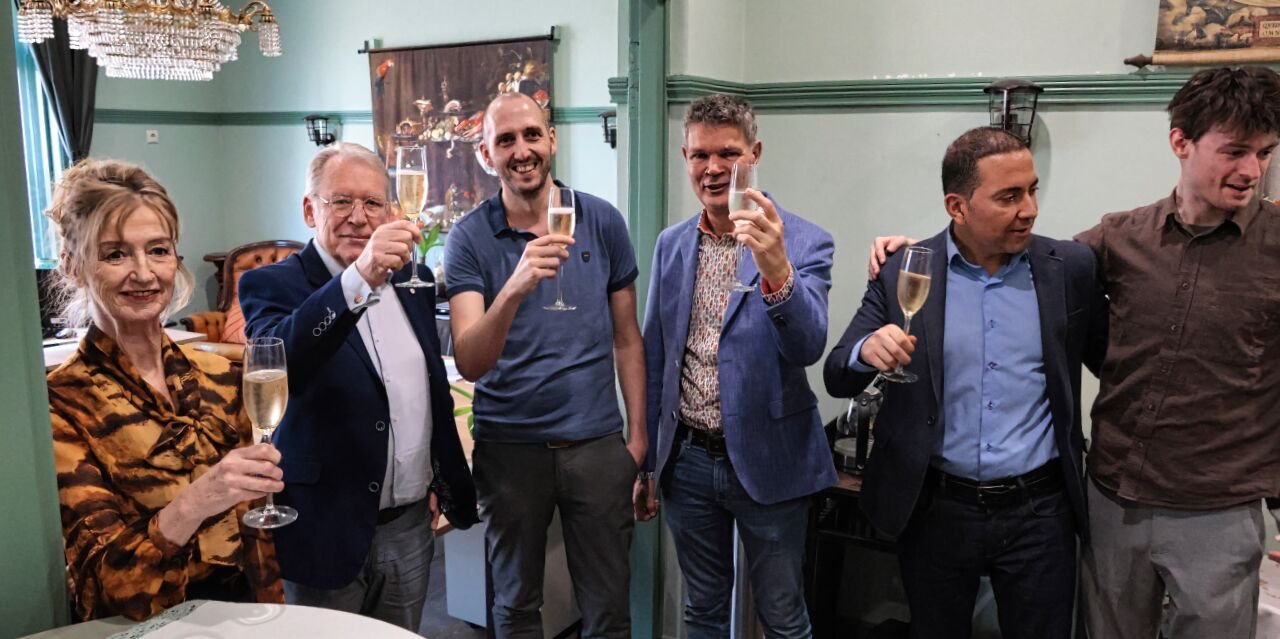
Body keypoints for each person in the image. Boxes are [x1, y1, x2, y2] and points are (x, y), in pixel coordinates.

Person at [869, 67, 1280, 639]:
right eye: (1235, 151)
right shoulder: (1116, 239)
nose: (1252, 171)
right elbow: (1013, 257)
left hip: (1218, 507)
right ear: (1180, 142)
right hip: (1113, 502)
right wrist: (915, 251)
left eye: (1265, 153)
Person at [828, 127, 1106, 639]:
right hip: (936, 509)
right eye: (1009, 196)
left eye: (1032, 190)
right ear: (957, 206)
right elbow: (837, 371)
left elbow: (1114, 364)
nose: (1030, 209)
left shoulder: (1068, 268)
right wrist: (867, 351)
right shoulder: (905, 270)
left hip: (1039, 513)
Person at [237, 142, 478, 631]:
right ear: (310, 209)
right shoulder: (270, 284)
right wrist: (360, 276)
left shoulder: (415, 278)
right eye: (340, 201)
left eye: (372, 203)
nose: (358, 217)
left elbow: (424, 385)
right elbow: (284, 360)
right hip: (326, 527)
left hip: (408, 527)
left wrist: (433, 475)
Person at [444, 91, 646, 639]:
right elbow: (470, 360)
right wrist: (514, 286)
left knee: (608, 610)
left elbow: (627, 339)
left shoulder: (601, 220)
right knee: (514, 606)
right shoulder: (468, 238)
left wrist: (637, 443)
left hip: (597, 448)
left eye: (531, 134)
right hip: (510, 452)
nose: (522, 150)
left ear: (552, 139)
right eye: (505, 140)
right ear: (487, 154)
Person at [45, 159, 284, 621]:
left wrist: (273, 618)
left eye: (158, 250)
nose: (143, 272)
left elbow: (258, 537)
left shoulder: (219, 375)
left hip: (239, 621)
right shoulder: (63, 404)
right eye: (115, 254)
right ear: (73, 266)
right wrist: (197, 501)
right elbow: (106, 585)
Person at [640, 93, 835, 638]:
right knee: (701, 609)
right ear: (685, 156)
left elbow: (808, 346)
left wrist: (777, 268)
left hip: (771, 460)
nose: (713, 168)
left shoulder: (804, 239)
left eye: (728, 153)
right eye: (700, 155)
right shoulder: (671, 244)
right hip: (690, 462)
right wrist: (649, 463)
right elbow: (656, 351)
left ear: (755, 152)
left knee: (782, 614)